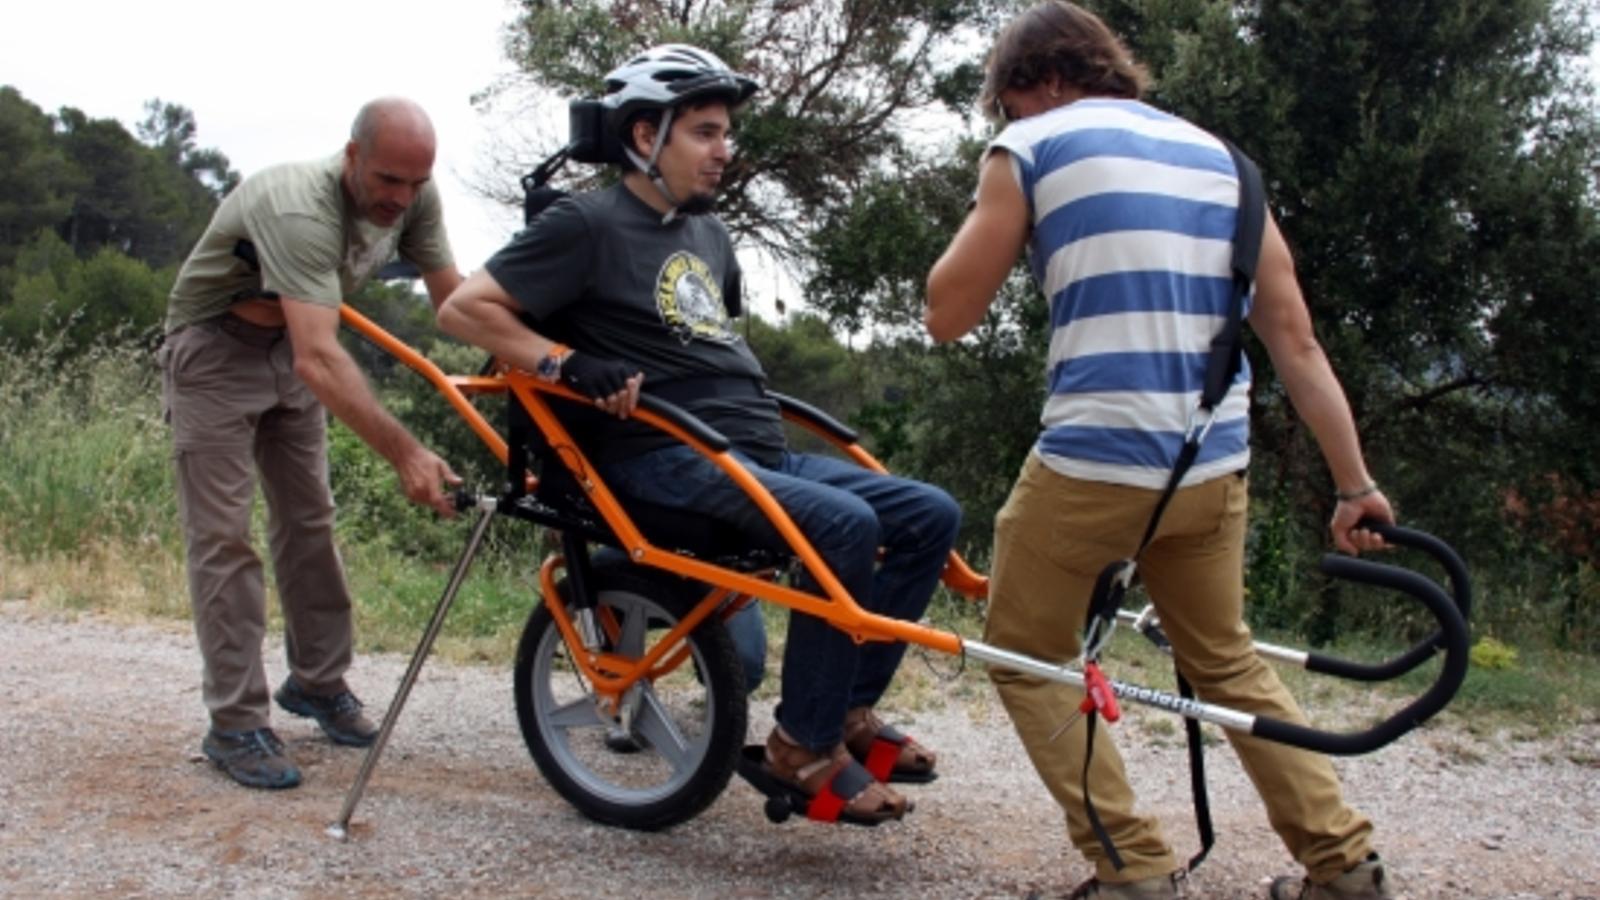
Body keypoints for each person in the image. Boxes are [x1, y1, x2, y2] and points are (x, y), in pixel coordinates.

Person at [925, 4, 1397, 899]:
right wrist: (1354, 485)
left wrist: (1003, 197)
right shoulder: (1228, 164)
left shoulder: (1033, 146)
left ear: (1047, 82)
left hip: (1089, 467)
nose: (1009, 121)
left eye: (1008, 103)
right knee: (1225, 657)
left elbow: (946, 315)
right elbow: (1295, 341)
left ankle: (1132, 868)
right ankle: (1343, 864)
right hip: (1209, 466)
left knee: (1028, 652)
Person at [438, 44, 960, 824]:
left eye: (726, 134)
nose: (725, 151)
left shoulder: (709, 235)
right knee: (841, 525)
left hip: (749, 451)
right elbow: (463, 310)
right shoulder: (585, 222)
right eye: (706, 133)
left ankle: (843, 714)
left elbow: (707, 346)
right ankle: (801, 749)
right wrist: (567, 362)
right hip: (659, 458)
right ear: (645, 135)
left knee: (929, 514)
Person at [161, 97, 464, 791]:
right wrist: (409, 453)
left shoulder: (416, 196)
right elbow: (320, 359)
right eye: (388, 180)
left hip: (290, 347)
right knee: (223, 539)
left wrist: (544, 356)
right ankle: (235, 724)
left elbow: (454, 305)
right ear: (353, 157)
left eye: (415, 183)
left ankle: (318, 684)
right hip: (214, 352)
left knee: (309, 521)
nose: (401, 198)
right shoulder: (302, 206)